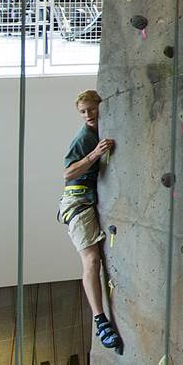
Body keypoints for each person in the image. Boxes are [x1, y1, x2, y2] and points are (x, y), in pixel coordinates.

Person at [62, 90, 122, 351]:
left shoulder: (102, 128)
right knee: (91, 259)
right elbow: (68, 173)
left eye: (91, 109)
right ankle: (101, 321)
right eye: (83, 111)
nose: (88, 115)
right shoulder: (84, 138)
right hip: (77, 202)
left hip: (91, 201)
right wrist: (94, 154)